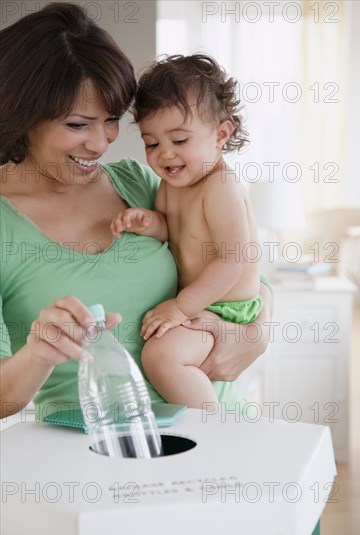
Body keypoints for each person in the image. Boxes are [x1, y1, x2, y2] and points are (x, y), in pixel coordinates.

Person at [0, 3, 272, 422]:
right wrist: (39, 353)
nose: (101, 143)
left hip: (216, 433)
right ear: (22, 115)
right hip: (92, 456)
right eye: (77, 125)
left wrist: (257, 333)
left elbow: (241, 265)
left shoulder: (138, 183)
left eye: (111, 120)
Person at [110, 54, 263, 409]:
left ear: (221, 135)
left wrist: (180, 308)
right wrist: (149, 223)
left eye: (179, 140)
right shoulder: (172, 184)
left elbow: (233, 261)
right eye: (152, 143)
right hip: (206, 301)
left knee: (162, 357)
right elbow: (173, 231)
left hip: (229, 307)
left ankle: (211, 432)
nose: (165, 154)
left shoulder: (220, 186)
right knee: (163, 355)